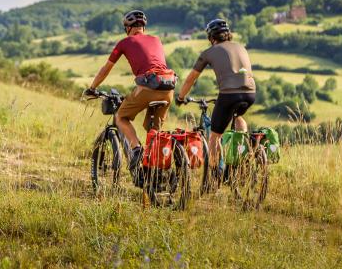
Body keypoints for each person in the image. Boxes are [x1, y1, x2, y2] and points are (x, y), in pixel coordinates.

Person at [84, 10, 176, 175]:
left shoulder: (124, 43)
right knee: (153, 131)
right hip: (168, 88)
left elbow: (106, 69)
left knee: (120, 116)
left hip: (148, 88)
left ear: (127, 28)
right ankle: (154, 174)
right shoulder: (156, 39)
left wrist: (92, 88)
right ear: (143, 27)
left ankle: (136, 148)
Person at [176, 19, 256, 173]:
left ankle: (214, 176)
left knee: (214, 136)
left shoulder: (208, 52)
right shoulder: (241, 47)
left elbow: (191, 78)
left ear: (211, 37)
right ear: (228, 34)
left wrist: (180, 97)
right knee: (237, 116)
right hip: (250, 93)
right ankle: (244, 148)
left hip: (229, 95)